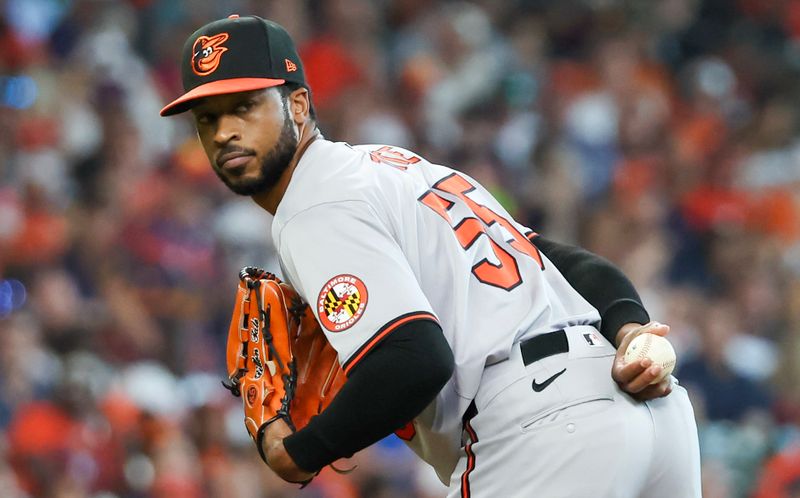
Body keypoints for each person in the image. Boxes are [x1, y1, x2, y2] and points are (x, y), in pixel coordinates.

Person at [161, 14, 702, 497]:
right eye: (206, 119)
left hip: (541, 426)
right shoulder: (396, 166)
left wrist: (300, 453)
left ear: (298, 103)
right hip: (652, 416)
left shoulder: (312, 203)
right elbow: (557, 259)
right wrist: (629, 326)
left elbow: (416, 358)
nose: (226, 130)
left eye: (244, 106)